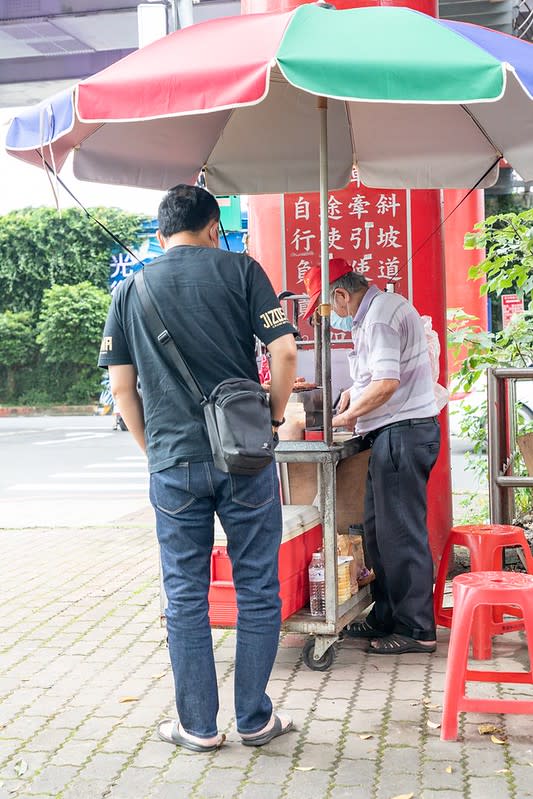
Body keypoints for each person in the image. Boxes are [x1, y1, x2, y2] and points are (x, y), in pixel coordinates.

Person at [98, 184, 297, 750]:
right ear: (214, 227)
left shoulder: (131, 288)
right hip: (244, 456)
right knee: (257, 584)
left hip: (172, 460)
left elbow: (121, 386)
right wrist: (275, 417)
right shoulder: (241, 269)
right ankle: (256, 720)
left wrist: (151, 448)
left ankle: (198, 727)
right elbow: (283, 352)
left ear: (162, 235)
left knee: (185, 592)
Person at [303, 259, 440, 655]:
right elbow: (371, 378)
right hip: (391, 434)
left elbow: (386, 383)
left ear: (342, 295)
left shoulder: (379, 316)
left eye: (332, 308)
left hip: (404, 432)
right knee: (378, 533)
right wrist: (350, 396)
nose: (335, 318)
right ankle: (386, 616)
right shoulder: (373, 316)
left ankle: (416, 630)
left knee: (401, 536)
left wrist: (346, 416)